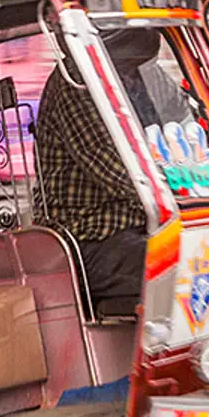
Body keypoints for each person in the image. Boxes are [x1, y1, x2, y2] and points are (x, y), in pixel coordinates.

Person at [34, 31, 158, 310]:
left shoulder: (130, 77)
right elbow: (120, 173)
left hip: (133, 227)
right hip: (88, 241)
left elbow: (171, 120)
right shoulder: (77, 81)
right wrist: (175, 188)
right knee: (187, 270)